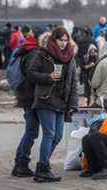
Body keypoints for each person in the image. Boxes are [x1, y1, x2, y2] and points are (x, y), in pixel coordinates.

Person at [28, 27, 78, 182]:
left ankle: (42, 166)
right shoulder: (43, 54)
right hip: (45, 99)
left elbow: (74, 82)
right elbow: (30, 73)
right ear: (54, 39)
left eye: (65, 40)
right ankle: (43, 168)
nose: (63, 43)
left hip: (62, 101)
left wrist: (73, 103)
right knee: (49, 133)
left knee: (57, 136)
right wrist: (48, 77)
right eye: (60, 40)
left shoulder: (70, 57)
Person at [11, 27, 40, 177]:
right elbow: (32, 76)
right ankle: (21, 164)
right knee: (31, 131)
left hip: (24, 95)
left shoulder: (27, 49)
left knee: (30, 131)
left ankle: (20, 163)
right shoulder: (34, 53)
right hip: (30, 97)